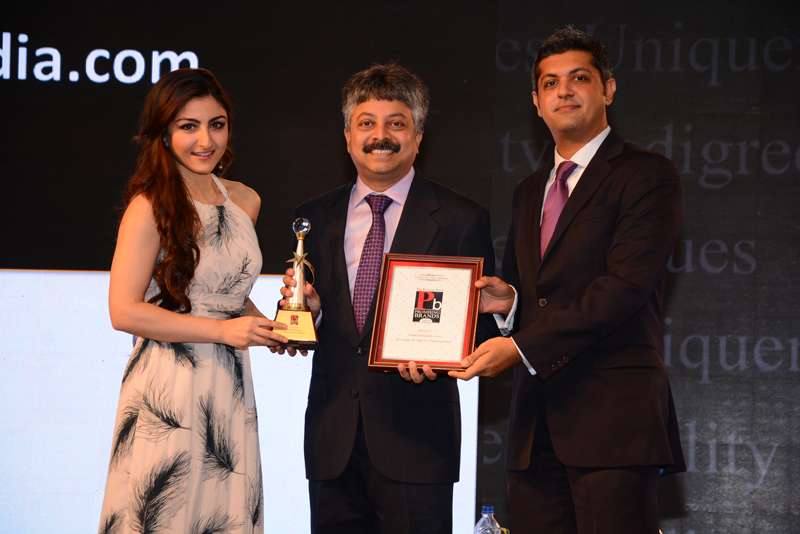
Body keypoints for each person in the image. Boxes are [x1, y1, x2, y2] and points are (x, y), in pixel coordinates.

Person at [449, 27, 686, 533]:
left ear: (608, 90)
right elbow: (532, 290)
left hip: (613, 425)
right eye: (551, 83)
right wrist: (508, 302)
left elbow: (623, 288)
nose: (565, 91)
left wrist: (519, 348)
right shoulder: (529, 190)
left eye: (579, 78)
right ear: (536, 102)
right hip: (537, 429)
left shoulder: (646, 175)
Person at [279, 63, 495, 534]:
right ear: (347, 136)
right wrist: (306, 319)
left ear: (418, 136)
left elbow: (481, 325)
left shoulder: (461, 219)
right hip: (332, 443)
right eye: (367, 123)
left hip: (418, 442)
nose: (381, 136)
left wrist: (442, 358)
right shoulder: (311, 219)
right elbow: (305, 330)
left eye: (396, 123)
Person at [97, 68, 287, 534]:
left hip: (229, 386)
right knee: (165, 513)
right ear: (163, 133)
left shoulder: (245, 201)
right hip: (168, 388)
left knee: (223, 515)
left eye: (216, 124)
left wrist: (270, 326)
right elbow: (124, 311)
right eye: (189, 126)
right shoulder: (149, 206)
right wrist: (224, 331)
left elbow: (225, 295)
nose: (206, 140)